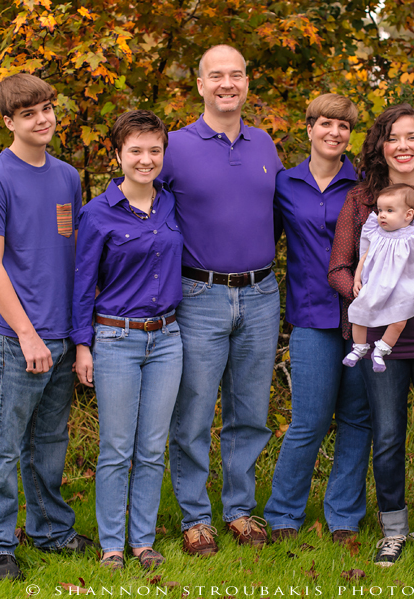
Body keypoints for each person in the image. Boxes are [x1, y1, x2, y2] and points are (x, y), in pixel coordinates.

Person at [328, 104, 414, 567]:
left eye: (412, 137)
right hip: (380, 340)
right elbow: (339, 268)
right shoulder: (361, 200)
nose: (403, 146)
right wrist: (367, 297)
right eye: (393, 138)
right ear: (380, 147)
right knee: (388, 435)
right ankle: (394, 528)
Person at [0, 73, 96, 581]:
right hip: (16, 336)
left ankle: (49, 529)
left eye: (47, 108)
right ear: (8, 122)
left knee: (49, 442)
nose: (43, 119)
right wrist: (26, 334)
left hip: (63, 333)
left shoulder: (67, 176)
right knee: (3, 442)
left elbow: (73, 250)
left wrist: (75, 335)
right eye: (29, 114)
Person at [159, 44, 283, 555]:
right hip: (199, 293)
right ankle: (194, 517)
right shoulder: (173, 146)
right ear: (201, 85)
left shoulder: (264, 144)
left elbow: (276, 216)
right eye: (217, 76)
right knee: (192, 412)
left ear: (247, 82)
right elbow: (142, 209)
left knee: (250, 410)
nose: (227, 84)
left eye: (236, 75)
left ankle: (239, 510)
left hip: (261, 292)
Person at [71, 110, 182, 572]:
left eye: (154, 150)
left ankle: (143, 540)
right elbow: (80, 284)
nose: (145, 159)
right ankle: (112, 544)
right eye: (135, 150)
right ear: (117, 155)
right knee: (117, 447)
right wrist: (82, 345)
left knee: (152, 447)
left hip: (168, 339)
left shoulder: (172, 204)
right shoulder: (96, 214)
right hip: (116, 337)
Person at [264, 94, 371, 545]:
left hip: (365, 318)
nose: (334, 133)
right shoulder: (284, 184)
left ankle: (344, 516)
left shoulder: (366, 186)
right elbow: (263, 241)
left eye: (343, 126)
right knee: (308, 418)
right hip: (311, 316)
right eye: (326, 123)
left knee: (357, 418)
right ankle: (283, 514)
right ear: (308, 128)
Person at [343, 183, 414, 372]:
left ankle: (382, 349)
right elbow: (365, 257)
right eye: (380, 209)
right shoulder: (377, 232)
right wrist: (357, 278)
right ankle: (359, 347)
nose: (382, 214)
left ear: (408, 215)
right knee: (359, 312)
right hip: (376, 284)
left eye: (389, 210)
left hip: (402, 288)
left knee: (399, 320)